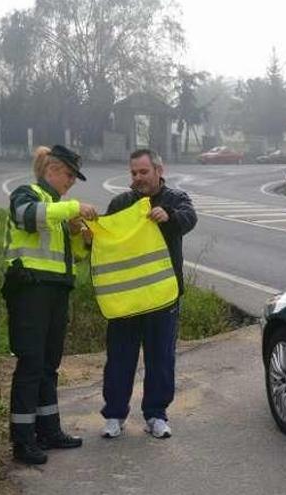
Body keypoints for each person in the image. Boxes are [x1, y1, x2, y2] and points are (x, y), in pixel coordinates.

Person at [3, 145, 98, 465]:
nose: (71, 181)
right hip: (30, 290)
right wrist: (72, 209)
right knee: (30, 364)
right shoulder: (27, 194)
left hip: (57, 291)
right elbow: (25, 217)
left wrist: (78, 236)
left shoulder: (58, 208)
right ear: (51, 170)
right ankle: (23, 440)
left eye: (74, 177)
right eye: (69, 175)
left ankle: (49, 430)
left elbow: (76, 259)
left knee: (48, 365)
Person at [100, 149, 197, 439]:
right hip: (126, 299)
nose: (138, 178)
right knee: (119, 359)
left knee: (161, 360)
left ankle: (156, 415)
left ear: (158, 170)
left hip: (162, 298)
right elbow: (106, 239)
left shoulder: (175, 199)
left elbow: (190, 218)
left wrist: (169, 216)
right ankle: (115, 415)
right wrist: (91, 233)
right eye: (134, 173)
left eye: (143, 172)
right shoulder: (121, 203)